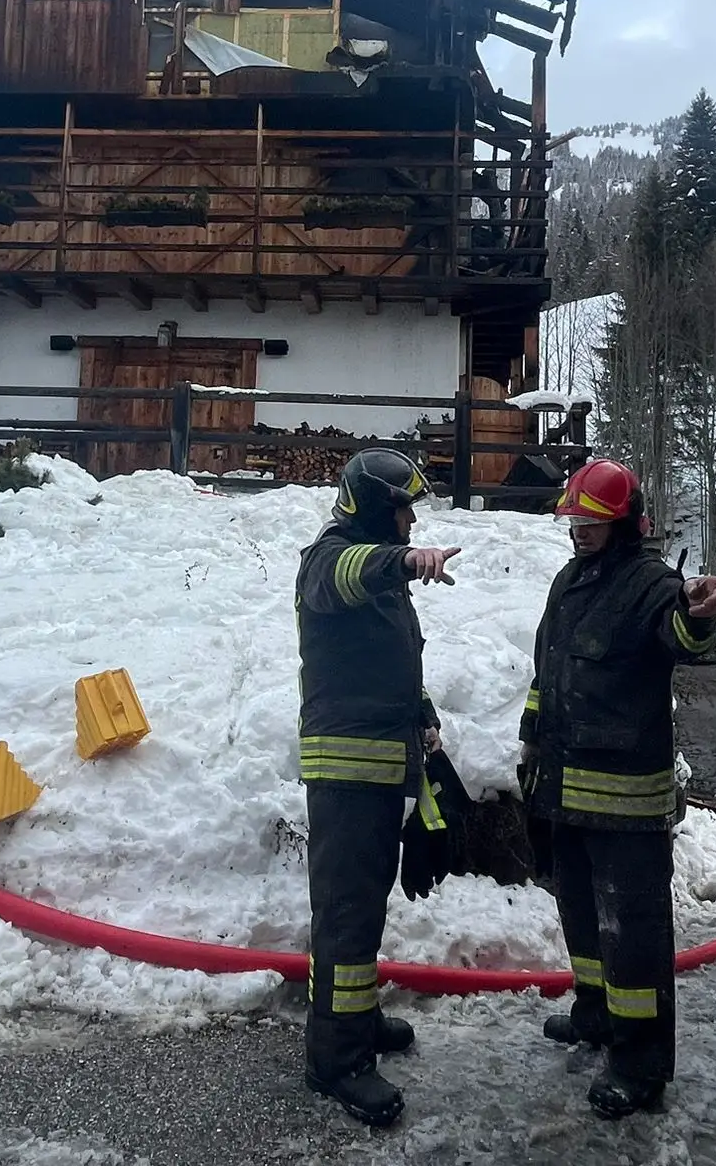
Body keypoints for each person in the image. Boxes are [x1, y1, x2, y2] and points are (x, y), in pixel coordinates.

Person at [518, 458, 716, 1119]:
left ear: (625, 525)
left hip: (624, 807)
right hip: (567, 794)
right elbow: (547, 671)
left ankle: (640, 1066)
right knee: (582, 920)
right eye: (575, 520)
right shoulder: (571, 579)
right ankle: (594, 1015)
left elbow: (681, 637)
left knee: (632, 936)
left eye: (592, 522)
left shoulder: (648, 584)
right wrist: (531, 735)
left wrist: (700, 616)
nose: (579, 530)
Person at [295, 448, 461, 1128]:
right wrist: (403, 562)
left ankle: (355, 1019)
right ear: (371, 507)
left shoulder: (377, 572)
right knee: (345, 916)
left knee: (364, 909)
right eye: (402, 509)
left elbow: (389, 660)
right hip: (345, 772)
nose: (411, 521)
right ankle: (336, 1062)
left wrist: (421, 714)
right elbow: (345, 575)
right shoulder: (330, 557)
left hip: (378, 766)